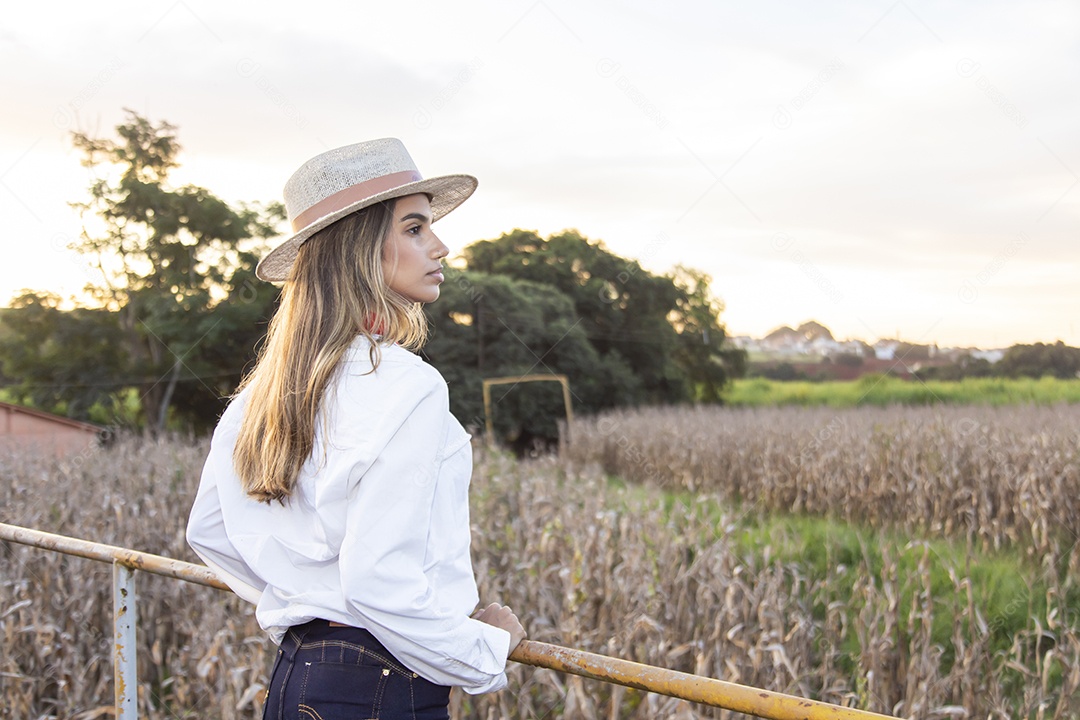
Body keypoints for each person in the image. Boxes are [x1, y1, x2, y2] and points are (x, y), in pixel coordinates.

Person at [186, 138, 526, 720]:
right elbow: (377, 583)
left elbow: (211, 533)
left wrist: (309, 601)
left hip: (298, 677)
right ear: (359, 251)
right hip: (382, 686)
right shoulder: (409, 384)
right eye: (415, 228)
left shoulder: (261, 392)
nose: (440, 245)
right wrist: (489, 649)